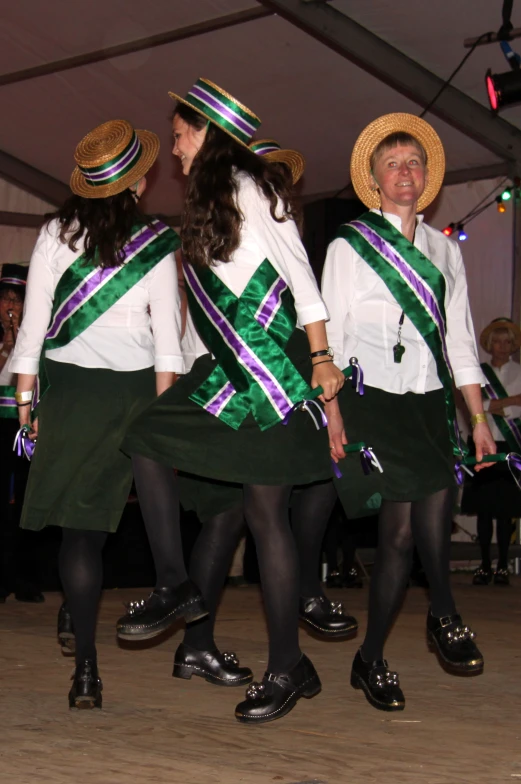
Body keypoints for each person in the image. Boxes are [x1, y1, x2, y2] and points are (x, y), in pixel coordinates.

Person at [117, 78, 345, 724]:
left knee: (267, 517)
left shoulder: (251, 189)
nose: (175, 148)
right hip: (228, 371)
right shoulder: (215, 198)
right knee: (148, 438)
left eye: (181, 136)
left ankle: (284, 667)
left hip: (269, 369)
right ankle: (175, 585)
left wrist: (322, 359)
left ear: (208, 135)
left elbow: (301, 279)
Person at [10, 119, 206, 710]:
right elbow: (168, 339)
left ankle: (87, 674)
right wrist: (165, 408)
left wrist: (26, 406)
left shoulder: (52, 233)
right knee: (139, 512)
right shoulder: (155, 240)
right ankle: (174, 586)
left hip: (70, 394)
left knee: (81, 535)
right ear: (140, 182)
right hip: (136, 395)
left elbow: (33, 328)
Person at [321, 113, 496, 712]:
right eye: (392, 163)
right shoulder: (349, 244)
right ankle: (405, 638)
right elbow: (335, 338)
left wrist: (478, 417)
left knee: (434, 518)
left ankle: (407, 634)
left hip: (429, 400)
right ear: (374, 178)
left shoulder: (445, 250)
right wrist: (333, 412)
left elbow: (461, 342)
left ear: (427, 177)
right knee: (396, 533)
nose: (405, 171)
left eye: (413, 162)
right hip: (373, 400)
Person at [462, 317, 521, 586]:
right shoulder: (479, 373)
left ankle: (502, 565)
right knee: (485, 509)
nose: (502, 346)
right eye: (497, 341)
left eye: (507, 341)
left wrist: (493, 405)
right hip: (484, 445)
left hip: (510, 445)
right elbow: (473, 404)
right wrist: (505, 402)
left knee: (505, 509)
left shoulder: (519, 372)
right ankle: (484, 564)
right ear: (489, 344)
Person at [0, 264, 43, 603]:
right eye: (5, 299)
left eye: (16, 299)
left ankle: (24, 576)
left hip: (23, 427)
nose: (10, 306)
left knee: (27, 503)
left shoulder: (35, 336)